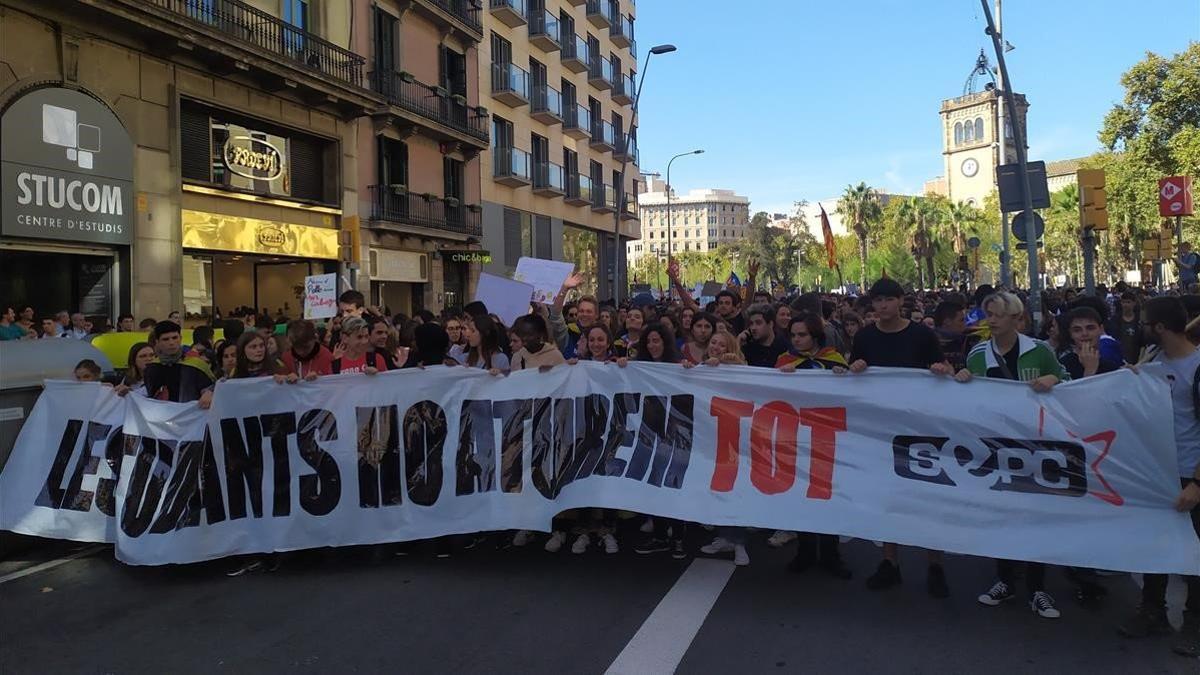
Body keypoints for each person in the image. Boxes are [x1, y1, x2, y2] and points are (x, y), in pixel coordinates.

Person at [952, 291, 1067, 619]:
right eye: (988, 313)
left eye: (999, 314)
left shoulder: (1040, 351)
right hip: (995, 447)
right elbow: (966, 398)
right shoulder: (976, 354)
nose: (992, 319)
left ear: (1017, 319)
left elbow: (1069, 384)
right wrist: (961, 380)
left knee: (1035, 515)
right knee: (1002, 514)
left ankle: (1037, 587)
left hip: (1036, 446)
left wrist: (1054, 378)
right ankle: (1004, 579)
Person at [844, 278, 952, 598]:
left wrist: (941, 369)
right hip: (879, 431)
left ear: (900, 301)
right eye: (877, 301)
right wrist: (856, 367)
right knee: (887, 497)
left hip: (919, 430)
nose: (882, 306)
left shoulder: (921, 334)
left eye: (888, 300)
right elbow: (853, 375)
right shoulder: (865, 336)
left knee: (926, 498)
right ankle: (889, 561)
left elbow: (941, 365)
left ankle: (935, 565)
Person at [1118, 296, 1200, 656]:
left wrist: (1198, 483)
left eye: (1146, 322)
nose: (1141, 327)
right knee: (1155, 547)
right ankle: (1153, 611)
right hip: (1157, 472)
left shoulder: (1198, 368)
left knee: (1194, 554)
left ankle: (1195, 623)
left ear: (1161, 328)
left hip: (1190, 474)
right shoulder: (1151, 360)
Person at [624, 323, 688, 560]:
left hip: (676, 436)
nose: (652, 346)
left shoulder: (679, 366)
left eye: (656, 340)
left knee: (673, 483)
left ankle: (678, 537)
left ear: (665, 342)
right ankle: (661, 535)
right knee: (654, 483)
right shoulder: (640, 367)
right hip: (650, 435)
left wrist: (691, 371)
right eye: (648, 341)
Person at [124, 321, 214, 407]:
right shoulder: (152, 367)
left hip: (190, 418)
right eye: (165, 339)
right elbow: (148, 393)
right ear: (157, 342)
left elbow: (213, 389)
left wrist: (210, 393)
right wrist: (130, 393)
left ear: (180, 338)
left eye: (175, 338)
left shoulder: (197, 365)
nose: (171, 343)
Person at [1058, 306, 1122, 380]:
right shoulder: (1062, 366)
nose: (1084, 333)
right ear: (1071, 334)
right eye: (1077, 330)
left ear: (1101, 329)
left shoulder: (1111, 364)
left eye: (1090, 328)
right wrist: (1090, 370)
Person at [775, 314, 848, 372]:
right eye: (793, 335)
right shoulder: (784, 360)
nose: (796, 339)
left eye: (802, 335)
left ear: (815, 335)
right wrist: (782, 375)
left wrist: (841, 374)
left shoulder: (834, 358)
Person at [741, 303, 789, 368]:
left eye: (758, 323)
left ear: (770, 324)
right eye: (751, 323)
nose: (753, 328)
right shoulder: (748, 348)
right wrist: (738, 343)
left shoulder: (785, 348)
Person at [1107, 291, 1144, 364]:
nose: (1125, 305)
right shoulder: (1115, 319)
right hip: (1120, 356)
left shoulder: (1139, 319)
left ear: (1134, 303)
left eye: (1128, 302)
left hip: (1137, 356)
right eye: (1123, 302)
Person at [932, 300, 970, 371]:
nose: (965, 323)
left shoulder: (969, 340)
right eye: (961, 320)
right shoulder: (926, 342)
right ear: (947, 322)